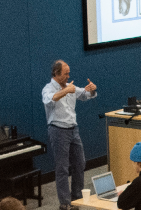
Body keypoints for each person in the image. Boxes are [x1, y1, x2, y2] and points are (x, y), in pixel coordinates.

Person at [41, 60, 99, 209]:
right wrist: (65, 91)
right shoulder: (48, 89)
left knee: (80, 163)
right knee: (62, 168)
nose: (68, 76)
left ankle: (76, 198)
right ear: (56, 73)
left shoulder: (70, 86)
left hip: (74, 130)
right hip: (58, 130)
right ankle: (65, 203)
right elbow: (50, 100)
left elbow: (85, 95)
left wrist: (92, 89)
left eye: (68, 73)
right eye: (66, 73)